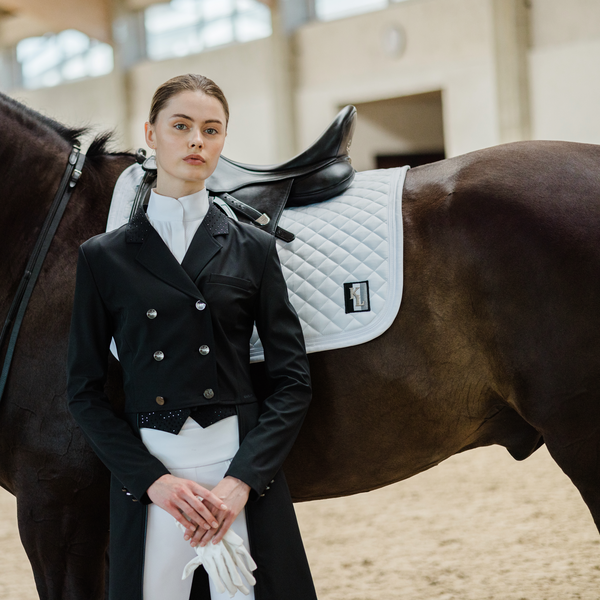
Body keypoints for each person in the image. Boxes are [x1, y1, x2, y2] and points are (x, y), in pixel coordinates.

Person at [67, 73, 318, 600]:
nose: (196, 141)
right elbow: (84, 392)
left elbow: (292, 381)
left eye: (211, 129)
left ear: (223, 141)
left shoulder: (253, 247)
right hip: (154, 481)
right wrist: (152, 481)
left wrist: (241, 481)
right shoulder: (102, 257)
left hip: (238, 475)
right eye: (181, 126)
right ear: (152, 135)